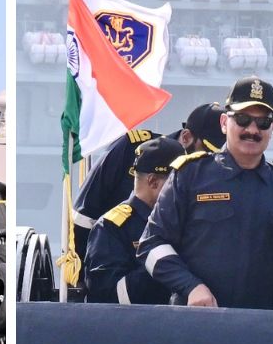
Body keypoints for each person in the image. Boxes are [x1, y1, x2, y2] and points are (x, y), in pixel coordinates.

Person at [138, 76, 273, 310]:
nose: (252, 130)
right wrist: (191, 286)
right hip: (197, 324)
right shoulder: (190, 175)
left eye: (263, 122)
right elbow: (151, 244)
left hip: (259, 330)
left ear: (272, 129)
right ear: (225, 122)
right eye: (243, 119)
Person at [70, 103, 226, 288]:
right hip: (114, 250)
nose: (208, 160)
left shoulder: (215, 172)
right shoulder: (131, 149)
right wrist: (79, 279)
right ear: (186, 137)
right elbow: (84, 216)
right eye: (207, 151)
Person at [85, 137, 184, 304]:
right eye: (178, 182)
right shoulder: (111, 227)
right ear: (153, 182)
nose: (185, 189)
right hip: (138, 325)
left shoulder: (185, 219)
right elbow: (106, 297)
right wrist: (161, 262)